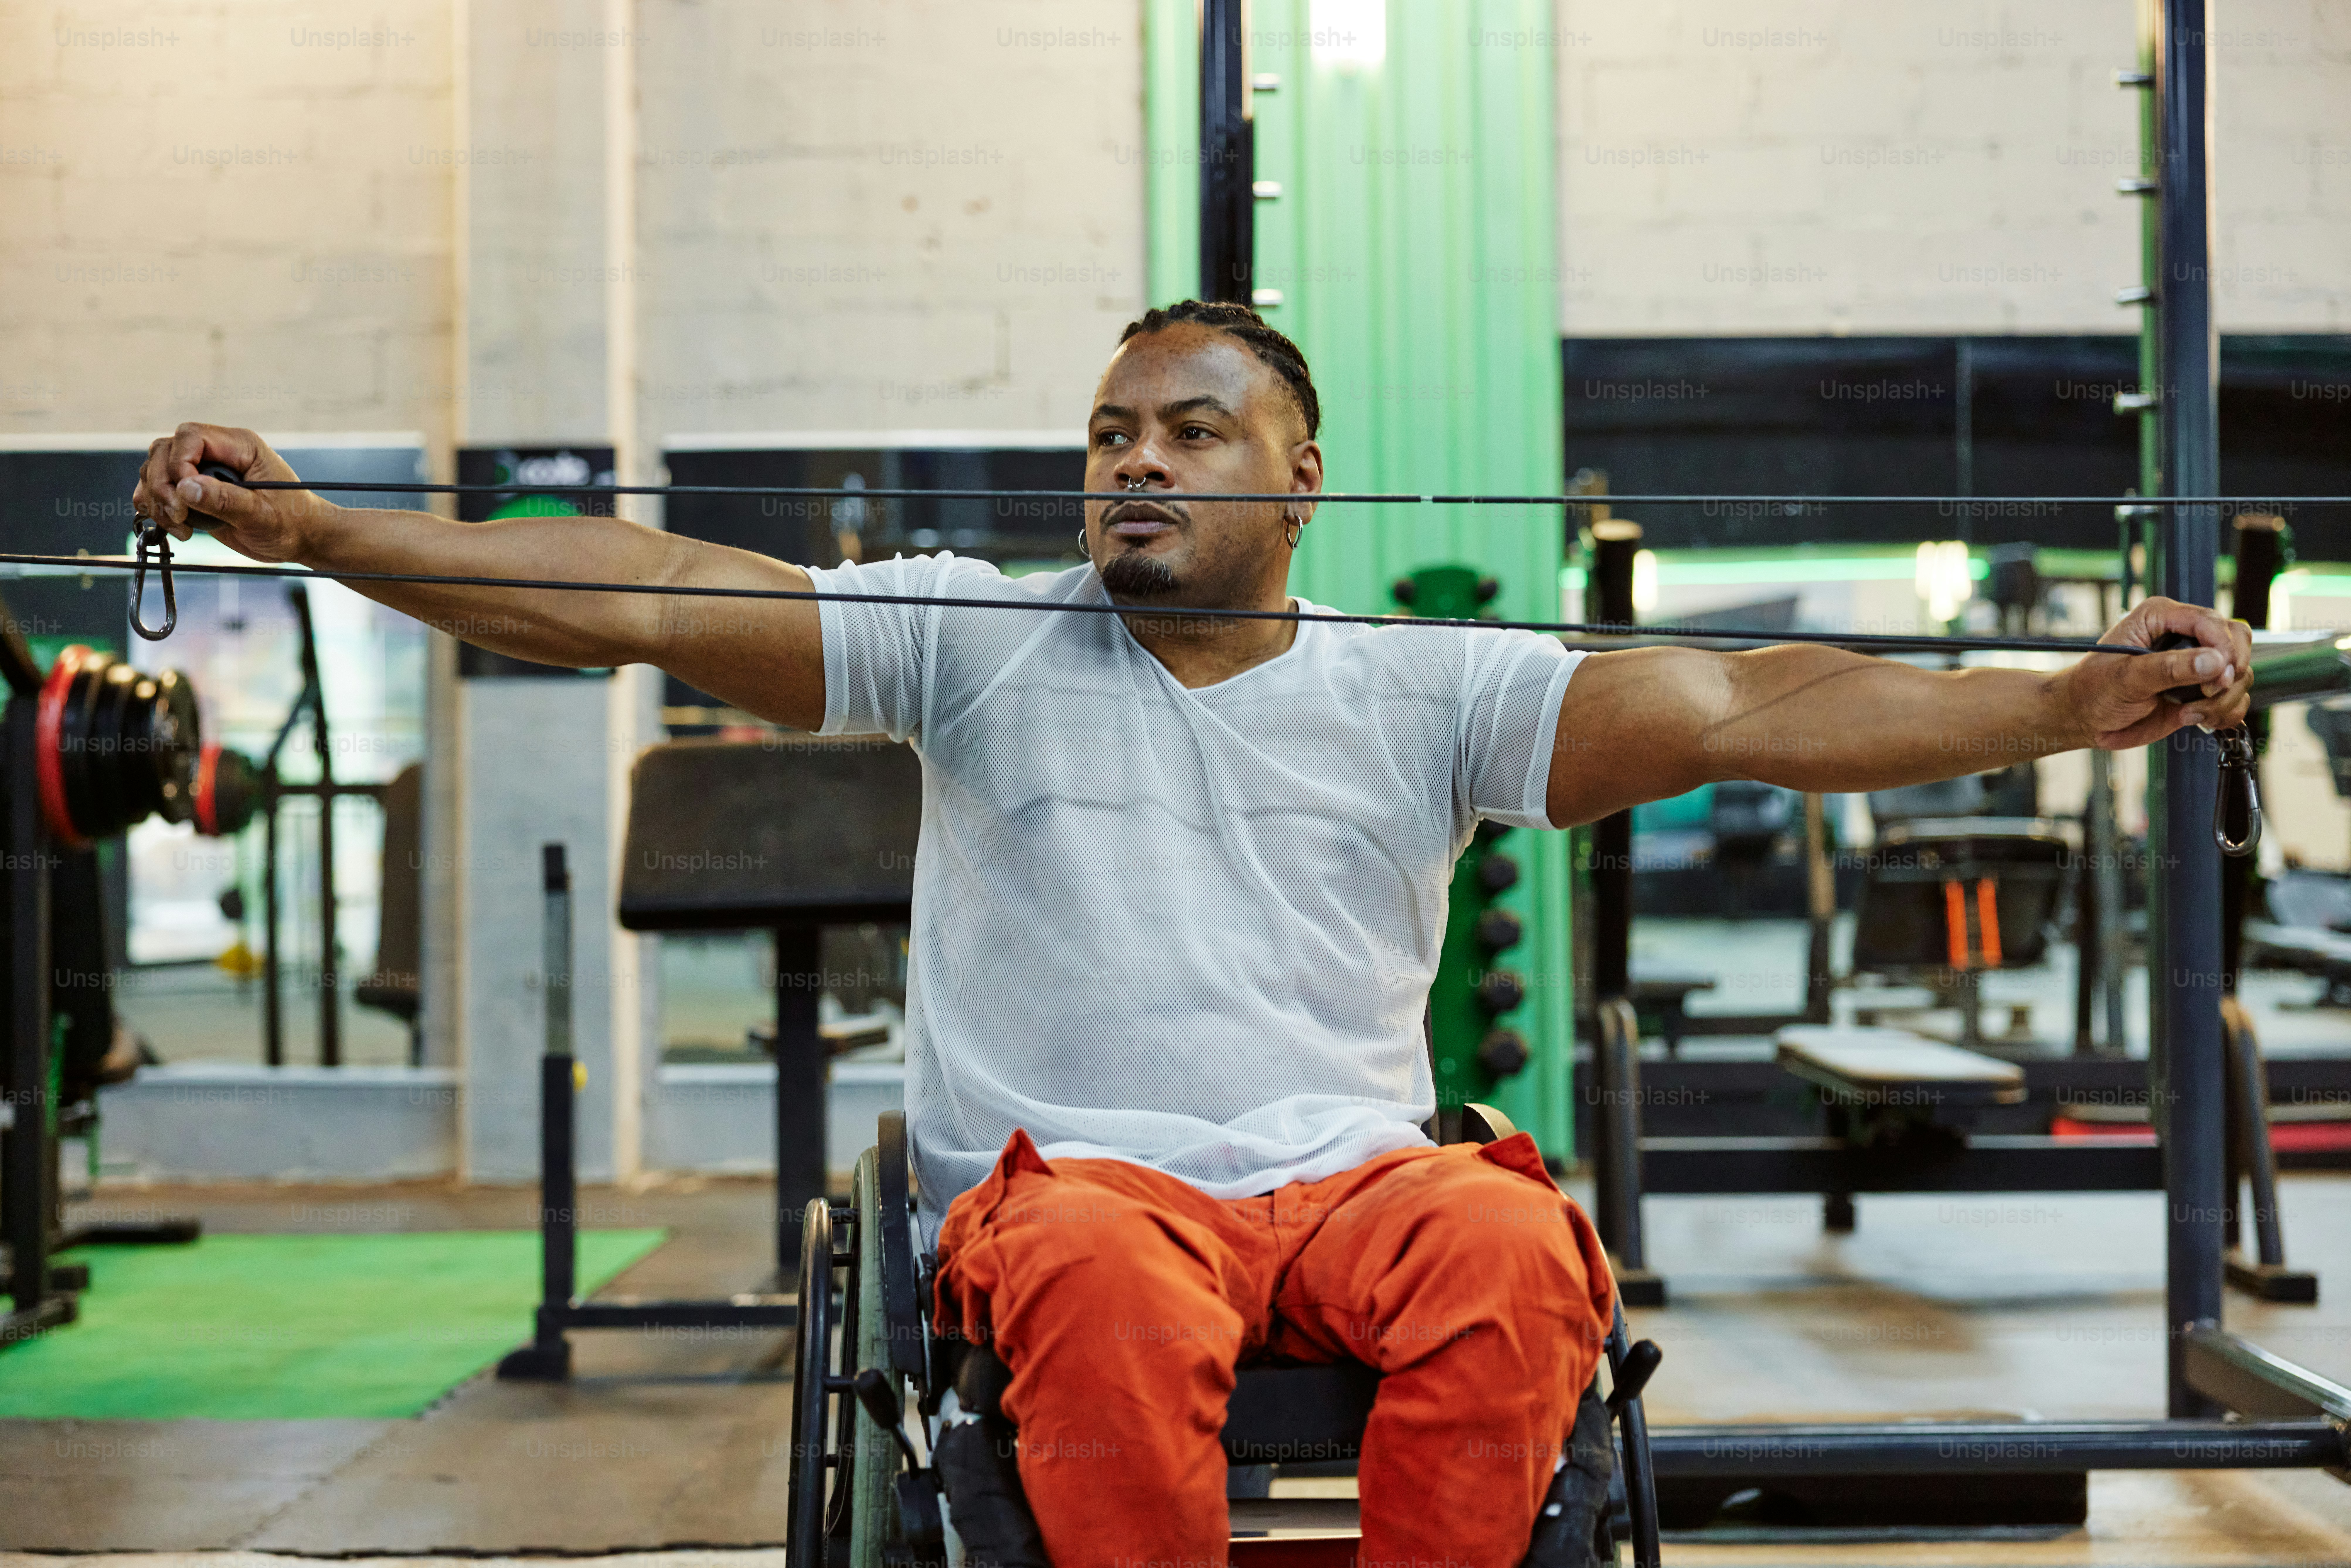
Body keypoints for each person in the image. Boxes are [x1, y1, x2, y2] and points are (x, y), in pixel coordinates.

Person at [134, 300, 2252, 1565]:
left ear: (1299, 478)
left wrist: (2060, 699)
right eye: (1107, 437)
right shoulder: (973, 642)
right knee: (1095, 1286)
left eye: (1186, 433)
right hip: (1074, 1195)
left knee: (1522, 1254)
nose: (1129, 468)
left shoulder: (1428, 685)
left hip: (1346, 1187)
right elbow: (639, 585)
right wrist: (321, 533)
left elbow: (1745, 706)